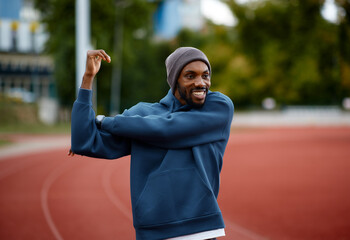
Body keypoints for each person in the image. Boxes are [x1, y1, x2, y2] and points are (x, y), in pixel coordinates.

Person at [69, 47, 234, 240]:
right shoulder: (141, 115)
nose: (200, 83)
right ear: (174, 80)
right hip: (154, 231)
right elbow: (83, 141)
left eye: (205, 75)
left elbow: (167, 129)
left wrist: (105, 121)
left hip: (201, 229)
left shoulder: (218, 107)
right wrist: (88, 78)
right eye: (190, 76)